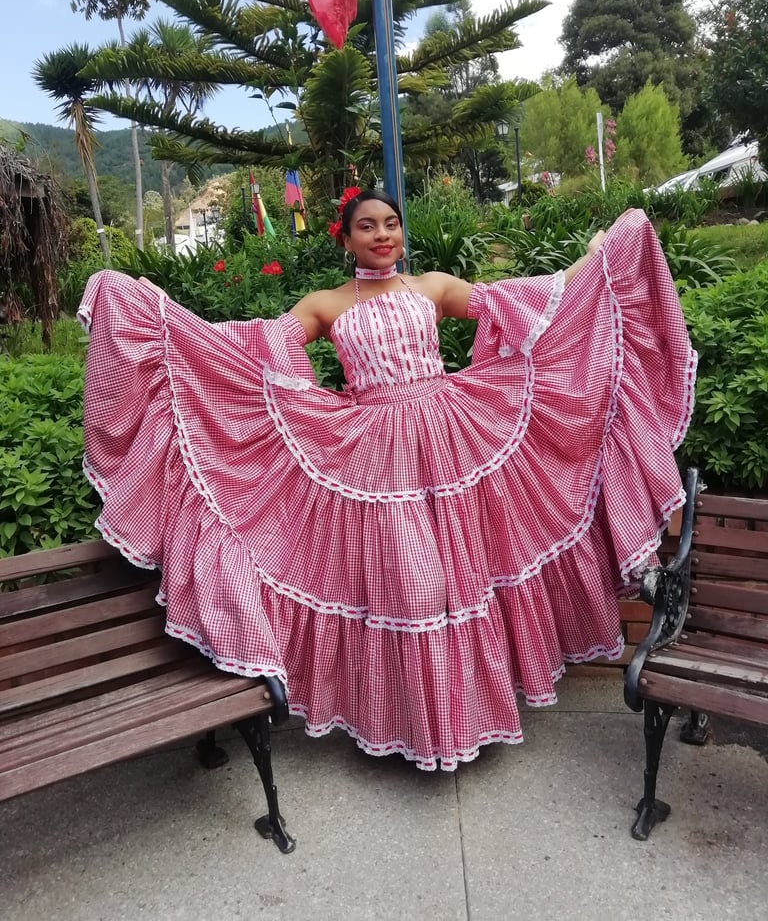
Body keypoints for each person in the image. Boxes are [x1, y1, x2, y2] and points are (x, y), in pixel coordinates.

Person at [78, 188, 696, 772]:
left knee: (461, 580)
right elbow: (254, 353)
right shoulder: (326, 304)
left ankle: (465, 717)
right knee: (410, 588)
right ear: (345, 239)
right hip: (375, 458)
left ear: (402, 233)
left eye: (391, 224)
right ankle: (419, 725)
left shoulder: (432, 287)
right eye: (367, 226)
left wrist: (596, 263)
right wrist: (159, 320)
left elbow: (533, 307)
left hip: (453, 441)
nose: (382, 234)